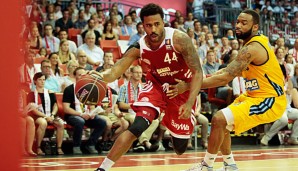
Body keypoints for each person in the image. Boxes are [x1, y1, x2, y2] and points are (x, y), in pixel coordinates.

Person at [95, 3, 203, 171]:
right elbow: (115, 72)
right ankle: (102, 168)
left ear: (164, 23)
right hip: (156, 87)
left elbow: (198, 72)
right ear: (142, 26)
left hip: (181, 89)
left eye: (157, 24)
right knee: (137, 127)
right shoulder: (139, 47)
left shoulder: (179, 39)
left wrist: (189, 103)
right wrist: (97, 77)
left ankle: (171, 121)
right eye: (148, 25)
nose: (153, 29)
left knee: (180, 148)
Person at [184, 9, 287, 171]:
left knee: (219, 118)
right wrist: (194, 81)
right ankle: (230, 165)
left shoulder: (253, 47)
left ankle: (206, 166)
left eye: (243, 23)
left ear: (255, 27)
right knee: (221, 123)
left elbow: (225, 77)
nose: (238, 25)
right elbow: (224, 72)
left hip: (270, 99)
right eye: (237, 22)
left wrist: (190, 86)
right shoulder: (249, 46)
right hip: (253, 96)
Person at [62, 67, 107, 155]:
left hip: (86, 115)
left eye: (83, 75)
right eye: (79, 75)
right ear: (74, 76)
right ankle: (76, 146)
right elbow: (66, 108)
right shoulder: (69, 89)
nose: (82, 77)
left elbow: (92, 105)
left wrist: (92, 113)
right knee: (80, 121)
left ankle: (90, 144)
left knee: (102, 122)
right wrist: (81, 114)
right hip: (73, 115)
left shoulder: (89, 88)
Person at [27, 72, 65, 155]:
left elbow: (55, 105)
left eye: (44, 80)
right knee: (43, 123)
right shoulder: (31, 94)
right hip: (38, 116)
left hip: (50, 115)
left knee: (61, 123)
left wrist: (52, 115)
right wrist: (45, 116)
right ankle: (38, 147)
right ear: (35, 81)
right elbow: (33, 110)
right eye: (40, 80)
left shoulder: (50, 92)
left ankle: (59, 148)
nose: (42, 81)